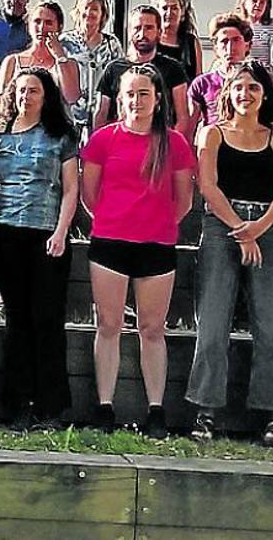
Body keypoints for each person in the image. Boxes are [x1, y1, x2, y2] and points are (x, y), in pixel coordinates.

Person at [82, 64, 195, 438]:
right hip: (110, 243)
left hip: (156, 245)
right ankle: (104, 407)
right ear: (120, 99)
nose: (136, 100)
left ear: (158, 99)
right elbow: (89, 195)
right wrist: (115, 221)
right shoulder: (103, 140)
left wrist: (156, 224)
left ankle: (156, 410)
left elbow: (184, 201)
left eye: (144, 93)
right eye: (130, 94)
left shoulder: (174, 143)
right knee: (108, 325)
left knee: (152, 329)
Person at [187, 61, 273, 447]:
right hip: (221, 226)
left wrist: (257, 229)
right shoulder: (212, 133)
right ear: (228, 93)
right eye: (239, 87)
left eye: (254, 88)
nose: (246, 94)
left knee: (272, 327)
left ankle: (272, 416)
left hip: (266, 228)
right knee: (213, 323)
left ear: (265, 96)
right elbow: (208, 186)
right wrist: (240, 231)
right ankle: (205, 411)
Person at [0, 67, 79, 429]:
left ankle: (52, 407)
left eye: (34, 90)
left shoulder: (61, 135)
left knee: (47, 320)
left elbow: (70, 189)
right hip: (3, 233)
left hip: (46, 236)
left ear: (46, 95)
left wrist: (61, 231)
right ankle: (17, 404)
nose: (26, 97)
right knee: (17, 319)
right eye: (21, 90)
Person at [94, 6, 191, 138]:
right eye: (137, 28)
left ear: (159, 32)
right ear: (129, 32)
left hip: (160, 143)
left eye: (149, 28)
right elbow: (101, 113)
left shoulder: (174, 69)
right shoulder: (113, 69)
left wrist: (169, 145)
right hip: (119, 142)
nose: (142, 34)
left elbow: (183, 117)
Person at [186, 14, 273, 135]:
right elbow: (189, 127)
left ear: (247, 45)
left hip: (256, 142)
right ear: (216, 48)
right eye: (224, 41)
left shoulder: (263, 79)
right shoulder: (202, 83)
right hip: (215, 142)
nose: (230, 47)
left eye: (236, 40)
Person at [0, 0, 81, 106]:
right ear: (29, 25)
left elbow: (72, 98)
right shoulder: (12, 61)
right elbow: (0, 102)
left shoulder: (69, 64)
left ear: (59, 27)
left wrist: (60, 56)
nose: (42, 28)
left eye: (48, 23)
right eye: (37, 21)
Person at [61, 0, 123, 132]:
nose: (89, 12)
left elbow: (120, 78)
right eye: (85, 8)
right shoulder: (65, 42)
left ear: (102, 15)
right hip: (70, 117)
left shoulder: (111, 44)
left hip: (103, 115)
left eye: (95, 9)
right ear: (78, 12)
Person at [150, 0, 202, 79]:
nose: (169, 13)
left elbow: (198, 79)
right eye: (165, 8)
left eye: (174, 8)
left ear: (182, 11)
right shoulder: (150, 39)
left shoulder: (191, 42)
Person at [236, 0, 273, 68]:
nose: (258, 5)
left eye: (262, 2)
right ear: (245, 3)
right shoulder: (236, 26)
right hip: (240, 71)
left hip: (264, 72)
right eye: (254, 1)